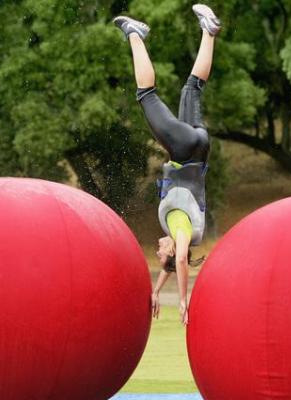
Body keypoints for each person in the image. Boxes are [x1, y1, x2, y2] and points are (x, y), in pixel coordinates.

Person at [114, 4, 220, 325]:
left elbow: (173, 263)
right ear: (174, 250)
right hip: (184, 150)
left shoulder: (180, 230)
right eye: (162, 254)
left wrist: (158, 289)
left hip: (200, 147)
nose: (157, 252)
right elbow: (181, 258)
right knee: (146, 94)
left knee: (192, 87)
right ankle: (136, 34)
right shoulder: (180, 230)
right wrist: (184, 300)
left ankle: (208, 30)